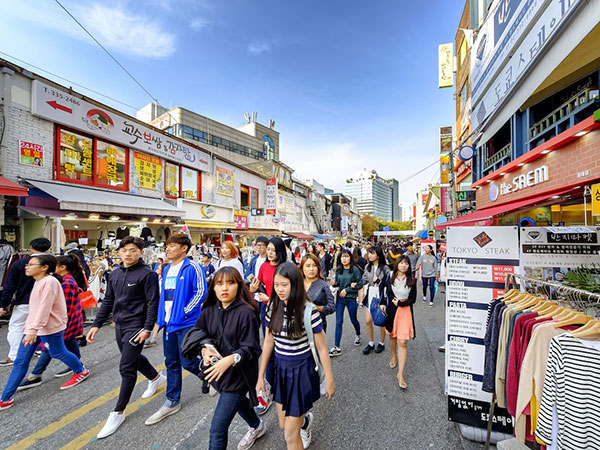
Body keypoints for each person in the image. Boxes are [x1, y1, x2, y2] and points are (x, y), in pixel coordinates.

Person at [86, 236, 163, 439]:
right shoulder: (116, 273)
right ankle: (156, 378)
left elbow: (153, 302)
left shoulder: (147, 275)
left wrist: (148, 328)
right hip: (119, 325)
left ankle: (118, 412)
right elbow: (108, 300)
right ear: (119, 252)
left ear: (140, 252)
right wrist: (96, 324)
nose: (128, 254)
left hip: (137, 326)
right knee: (134, 359)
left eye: (132, 250)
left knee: (126, 367)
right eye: (124, 250)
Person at [256, 262, 335, 449]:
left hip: (302, 372)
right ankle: (304, 420)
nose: (280, 289)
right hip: (280, 371)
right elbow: (268, 342)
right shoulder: (273, 307)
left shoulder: (308, 311)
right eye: (276, 285)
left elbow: (322, 348)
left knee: (289, 435)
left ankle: (302, 420)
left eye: (285, 284)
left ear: (295, 284)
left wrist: (330, 379)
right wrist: (260, 377)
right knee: (285, 427)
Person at [0, 255, 90, 409]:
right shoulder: (40, 281)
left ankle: (80, 370)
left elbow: (44, 309)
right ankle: (5, 398)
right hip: (34, 328)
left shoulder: (50, 282)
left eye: (31, 264)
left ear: (44, 267)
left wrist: (33, 330)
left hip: (48, 328)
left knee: (58, 353)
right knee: (21, 362)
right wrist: (31, 329)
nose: (26, 267)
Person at [195, 267, 264, 450]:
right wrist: (206, 348)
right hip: (219, 374)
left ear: (239, 285)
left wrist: (230, 359)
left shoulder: (246, 313)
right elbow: (199, 334)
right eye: (219, 283)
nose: (224, 288)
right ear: (213, 287)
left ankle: (256, 426)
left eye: (230, 282)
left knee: (217, 428)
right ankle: (257, 426)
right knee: (238, 403)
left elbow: (251, 348)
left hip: (239, 376)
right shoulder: (209, 310)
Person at [146, 234, 207, 426]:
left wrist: (185, 312)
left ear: (184, 248)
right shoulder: (165, 269)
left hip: (186, 323)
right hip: (169, 324)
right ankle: (172, 400)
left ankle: (212, 375)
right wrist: (159, 322)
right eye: (167, 246)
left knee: (187, 362)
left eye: (172, 246)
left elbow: (200, 292)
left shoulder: (192, 267)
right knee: (171, 362)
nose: (167, 249)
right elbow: (164, 297)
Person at [18, 254, 85, 388]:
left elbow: (61, 307)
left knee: (51, 349)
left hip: (63, 322)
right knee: (65, 344)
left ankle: (36, 374)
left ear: (62, 267)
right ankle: (77, 365)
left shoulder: (64, 283)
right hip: (68, 320)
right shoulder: (63, 280)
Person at [248, 236, 287, 415]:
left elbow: (290, 296)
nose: (270, 253)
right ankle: (269, 390)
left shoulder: (286, 269)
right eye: (268, 250)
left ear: (280, 251)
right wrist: (254, 289)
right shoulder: (263, 266)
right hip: (268, 312)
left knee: (283, 350)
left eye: (273, 250)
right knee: (268, 350)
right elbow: (261, 285)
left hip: (285, 314)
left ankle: (284, 386)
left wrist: (269, 299)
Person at [0, 238, 52, 366]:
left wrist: (3, 304)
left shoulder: (20, 263)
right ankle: (40, 349)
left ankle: (15, 355)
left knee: (16, 327)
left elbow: (10, 285)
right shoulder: (53, 262)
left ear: (31, 247)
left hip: (24, 301)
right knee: (42, 326)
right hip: (47, 301)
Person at [380, 256, 416, 389]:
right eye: (401, 263)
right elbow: (383, 291)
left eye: (406, 263)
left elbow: (413, 299)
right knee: (392, 336)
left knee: (403, 342)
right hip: (392, 310)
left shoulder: (412, 279)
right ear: (397, 264)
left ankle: (400, 374)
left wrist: (402, 303)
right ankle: (394, 355)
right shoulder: (390, 277)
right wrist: (383, 303)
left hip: (405, 311)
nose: (404, 265)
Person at [328, 249, 363, 357]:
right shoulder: (339, 270)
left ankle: (358, 334)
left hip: (351, 299)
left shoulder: (355, 270)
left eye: (346, 256)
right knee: (339, 322)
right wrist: (334, 284)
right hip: (340, 300)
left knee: (353, 320)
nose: (344, 259)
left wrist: (347, 289)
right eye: (342, 257)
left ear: (350, 257)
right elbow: (338, 283)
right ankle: (336, 346)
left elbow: (360, 285)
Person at [361, 246, 390, 355]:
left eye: (372, 253)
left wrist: (378, 280)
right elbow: (364, 279)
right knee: (368, 320)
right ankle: (371, 342)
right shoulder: (367, 266)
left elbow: (388, 283)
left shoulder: (385, 268)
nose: (370, 255)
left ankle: (381, 343)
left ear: (378, 254)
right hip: (371, 294)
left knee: (381, 320)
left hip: (381, 295)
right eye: (369, 253)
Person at [300, 255, 335, 332]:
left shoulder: (323, 285)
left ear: (318, 267)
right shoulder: (297, 284)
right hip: (299, 325)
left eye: (314, 266)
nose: (311, 269)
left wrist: (315, 307)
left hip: (317, 325)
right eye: (308, 266)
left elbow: (332, 307)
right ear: (302, 268)